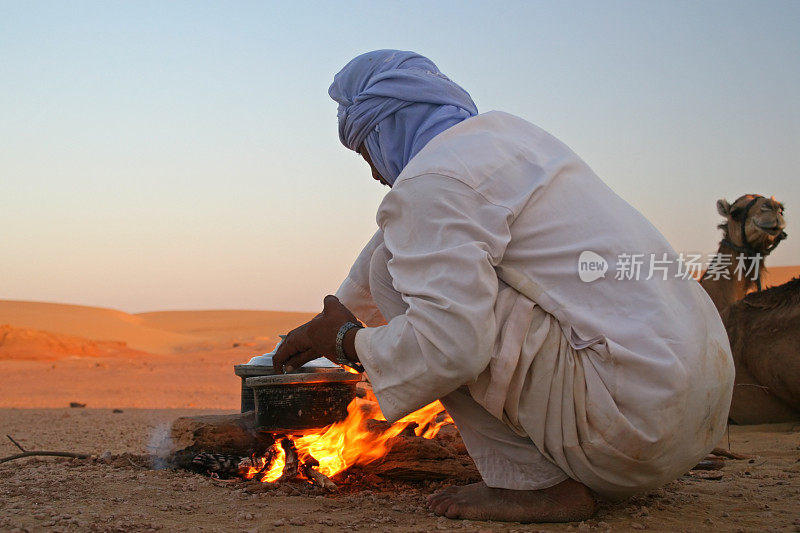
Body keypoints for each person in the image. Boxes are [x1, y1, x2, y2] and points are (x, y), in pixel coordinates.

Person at [273, 50, 734, 523]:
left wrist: (345, 342)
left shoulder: (435, 182)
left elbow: (448, 345)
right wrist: (322, 327)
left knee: (407, 288)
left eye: (366, 151)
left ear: (384, 128)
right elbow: (401, 240)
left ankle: (532, 485)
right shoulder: (508, 139)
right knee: (398, 263)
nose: (373, 172)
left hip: (629, 435)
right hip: (695, 413)